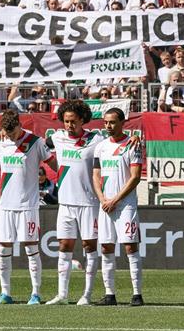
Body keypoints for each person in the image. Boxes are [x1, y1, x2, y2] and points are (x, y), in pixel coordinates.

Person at [0, 110, 55, 305]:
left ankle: (35, 293)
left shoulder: (35, 142)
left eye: (13, 132)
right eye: (7, 133)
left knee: (31, 248)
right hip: (5, 205)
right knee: (3, 247)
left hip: (28, 205)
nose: (11, 136)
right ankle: (5, 293)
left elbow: (53, 162)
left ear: (19, 125)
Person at [46, 99, 105, 305]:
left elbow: (116, 142)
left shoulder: (96, 140)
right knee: (64, 245)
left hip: (89, 202)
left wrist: (132, 140)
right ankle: (62, 295)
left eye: (73, 121)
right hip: (65, 203)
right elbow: (32, 143)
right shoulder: (57, 137)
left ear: (82, 120)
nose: (69, 125)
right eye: (66, 121)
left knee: (89, 246)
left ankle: (86, 295)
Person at [92, 108, 144, 306]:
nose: (108, 126)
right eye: (105, 122)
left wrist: (116, 200)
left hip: (125, 205)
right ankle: (109, 294)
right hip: (105, 204)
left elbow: (135, 177)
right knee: (106, 247)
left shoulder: (132, 145)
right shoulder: (101, 147)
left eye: (112, 122)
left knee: (130, 246)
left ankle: (137, 294)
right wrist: (103, 198)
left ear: (123, 123)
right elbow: (96, 175)